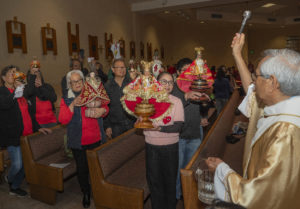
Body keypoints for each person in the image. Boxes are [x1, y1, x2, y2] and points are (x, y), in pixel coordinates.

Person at [206, 33, 300, 209]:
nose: (253, 82)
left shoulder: (287, 132)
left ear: (272, 82)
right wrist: (237, 54)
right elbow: (251, 89)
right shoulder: (278, 103)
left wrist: (222, 170)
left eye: (256, 76)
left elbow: (258, 197)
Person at [58, 70, 109, 208]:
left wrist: (102, 111)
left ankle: (98, 191)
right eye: (74, 81)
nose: (77, 84)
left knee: (96, 168)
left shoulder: (92, 91)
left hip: (96, 137)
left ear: (83, 81)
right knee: (82, 169)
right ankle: (86, 193)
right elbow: (62, 119)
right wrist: (73, 104)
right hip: (78, 141)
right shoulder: (66, 98)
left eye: (79, 80)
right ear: (69, 83)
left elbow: (105, 106)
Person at [0, 65, 51, 197]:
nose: (14, 75)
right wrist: (17, 90)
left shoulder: (21, 92)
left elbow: (29, 114)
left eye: (16, 73)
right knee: (17, 164)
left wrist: (39, 127)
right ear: (3, 78)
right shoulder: (2, 92)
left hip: (27, 134)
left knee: (26, 164)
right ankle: (9, 179)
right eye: (11, 73)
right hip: (13, 135)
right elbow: (5, 104)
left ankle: (15, 186)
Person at [143, 72, 184, 209]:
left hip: (170, 148)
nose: (167, 85)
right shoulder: (148, 100)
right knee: (154, 182)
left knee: (169, 181)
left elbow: (178, 126)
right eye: (164, 82)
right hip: (151, 147)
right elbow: (141, 121)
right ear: (157, 83)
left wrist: (159, 128)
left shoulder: (176, 101)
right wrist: (140, 121)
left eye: (170, 82)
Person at [172, 58, 208, 200]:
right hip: (179, 136)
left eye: (190, 71)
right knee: (178, 170)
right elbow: (170, 106)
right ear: (178, 72)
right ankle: (177, 196)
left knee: (192, 169)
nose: (188, 74)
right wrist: (185, 96)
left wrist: (202, 116)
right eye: (185, 71)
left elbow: (201, 105)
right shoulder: (173, 87)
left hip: (194, 133)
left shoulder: (196, 85)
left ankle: (189, 196)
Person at [104, 58, 135, 139]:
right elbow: (105, 106)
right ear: (113, 69)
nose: (122, 69)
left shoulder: (131, 83)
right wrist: (107, 126)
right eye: (119, 67)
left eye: (124, 67)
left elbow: (138, 101)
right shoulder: (107, 86)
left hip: (131, 122)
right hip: (115, 125)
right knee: (118, 150)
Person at [25, 59, 57, 128]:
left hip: (52, 121)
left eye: (37, 74)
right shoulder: (27, 89)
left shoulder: (47, 86)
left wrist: (41, 87)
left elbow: (54, 98)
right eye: (33, 76)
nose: (36, 77)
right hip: (37, 124)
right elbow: (29, 93)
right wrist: (32, 82)